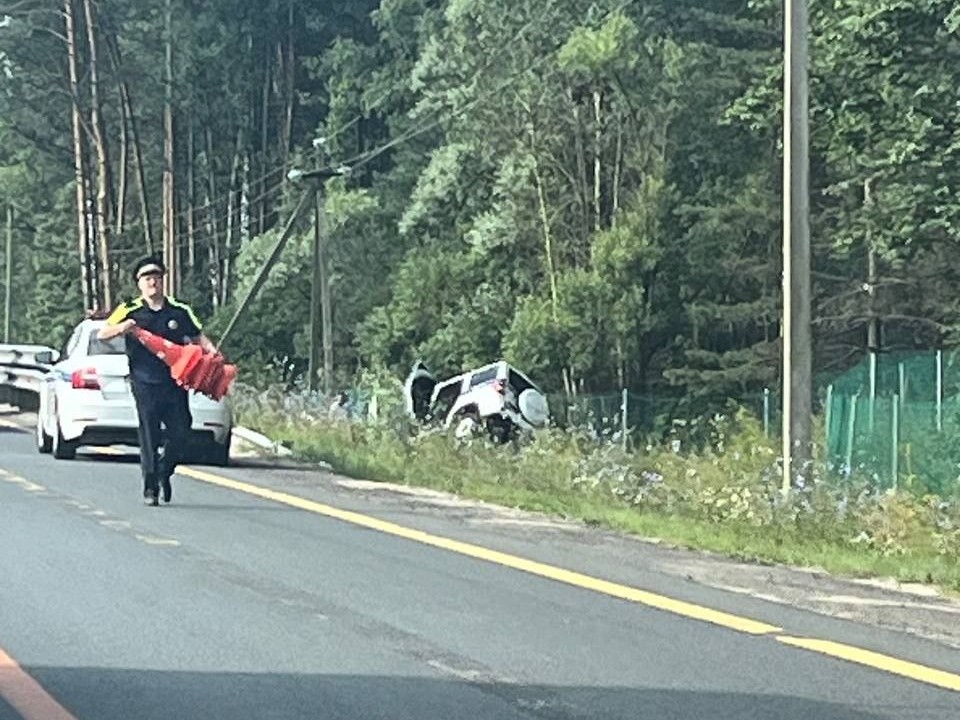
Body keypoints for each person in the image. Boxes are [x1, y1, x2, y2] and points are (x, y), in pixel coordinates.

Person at [98, 256, 217, 506]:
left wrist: (211, 353)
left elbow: (198, 337)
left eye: (157, 278)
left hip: (174, 382)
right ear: (139, 283)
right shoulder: (130, 309)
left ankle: (165, 471)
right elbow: (103, 334)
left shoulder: (179, 311)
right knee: (149, 434)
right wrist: (124, 327)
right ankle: (150, 488)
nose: (153, 283)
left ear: (163, 281)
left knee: (181, 432)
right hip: (144, 382)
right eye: (147, 279)